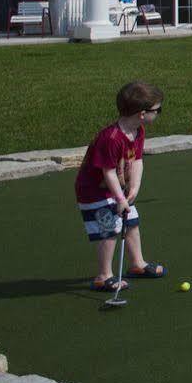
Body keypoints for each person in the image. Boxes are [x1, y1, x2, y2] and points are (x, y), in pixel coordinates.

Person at [76, 80, 167, 290]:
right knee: (109, 229)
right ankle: (104, 276)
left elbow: (137, 161)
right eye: (157, 110)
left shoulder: (138, 131)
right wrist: (119, 198)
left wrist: (133, 189)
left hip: (117, 189)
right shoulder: (111, 138)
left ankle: (137, 264)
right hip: (94, 191)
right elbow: (107, 171)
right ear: (142, 113)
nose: (159, 113)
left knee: (131, 222)